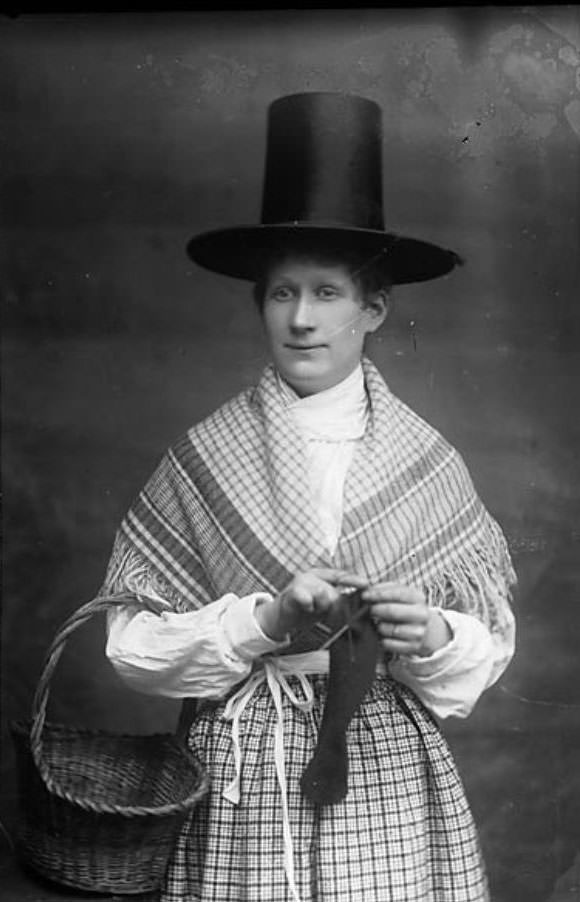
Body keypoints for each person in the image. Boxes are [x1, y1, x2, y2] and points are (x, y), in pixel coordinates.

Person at [102, 93, 516, 902]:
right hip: (241, 776)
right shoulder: (201, 459)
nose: (300, 319)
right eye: (281, 293)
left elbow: (487, 651)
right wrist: (266, 621)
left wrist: (429, 630)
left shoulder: (427, 462)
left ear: (374, 310)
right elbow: (131, 645)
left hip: (383, 769)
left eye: (327, 293)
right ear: (259, 305)